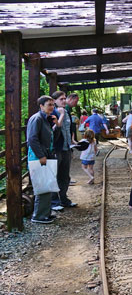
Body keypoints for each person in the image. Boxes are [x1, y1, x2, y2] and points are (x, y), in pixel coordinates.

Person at [27, 96, 58, 224]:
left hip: (45, 155)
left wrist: (55, 123)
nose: (52, 107)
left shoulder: (46, 119)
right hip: (38, 157)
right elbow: (32, 139)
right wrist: (41, 156)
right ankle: (38, 216)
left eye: (53, 105)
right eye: (49, 104)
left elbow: (52, 137)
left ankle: (45, 213)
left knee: (47, 185)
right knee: (42, 186)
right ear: (41, 106)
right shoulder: (37, 119)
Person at [51, 91, 77, 210]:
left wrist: (72, 141)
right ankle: (54, 202)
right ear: (54, 101)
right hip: (56, 148)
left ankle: (64, 199)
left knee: (65, 176)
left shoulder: (66, 111)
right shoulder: (52, 112)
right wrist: (60, 115)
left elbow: (68, 129)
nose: (64, 101)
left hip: (66, 148)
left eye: (64, 98)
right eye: (61, 99)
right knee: (54, 175)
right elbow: (53, 130)